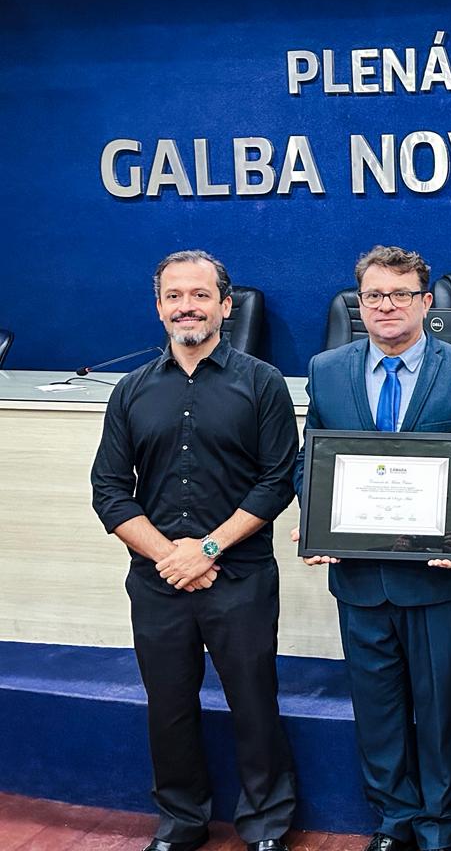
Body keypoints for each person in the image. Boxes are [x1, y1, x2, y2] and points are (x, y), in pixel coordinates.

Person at [91, 250, 298, 851]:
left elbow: (277, 480)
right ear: (159, 308)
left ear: (225, 306)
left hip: (240, 575)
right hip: (158, 580)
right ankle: (181, 820)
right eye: (175, 295)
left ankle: (266, 824)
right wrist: (170, 557)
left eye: (200, 295)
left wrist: (206, 548)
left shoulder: (262, 383)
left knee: (254, 700)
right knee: (170, 704)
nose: (188, 305)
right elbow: (109, 491)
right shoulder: (130, 391)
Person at [292, 245, 451, 851]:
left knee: (437, 712)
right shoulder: (327, 369)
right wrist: (313, 517)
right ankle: (393, 820)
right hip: (357, 576)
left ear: (426, 304)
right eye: (374, 295)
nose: (386, 306)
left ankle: (436, 826)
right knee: (376, 710)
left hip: (436, 577)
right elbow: (312, 459)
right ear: (359, 302)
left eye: (400, 294)